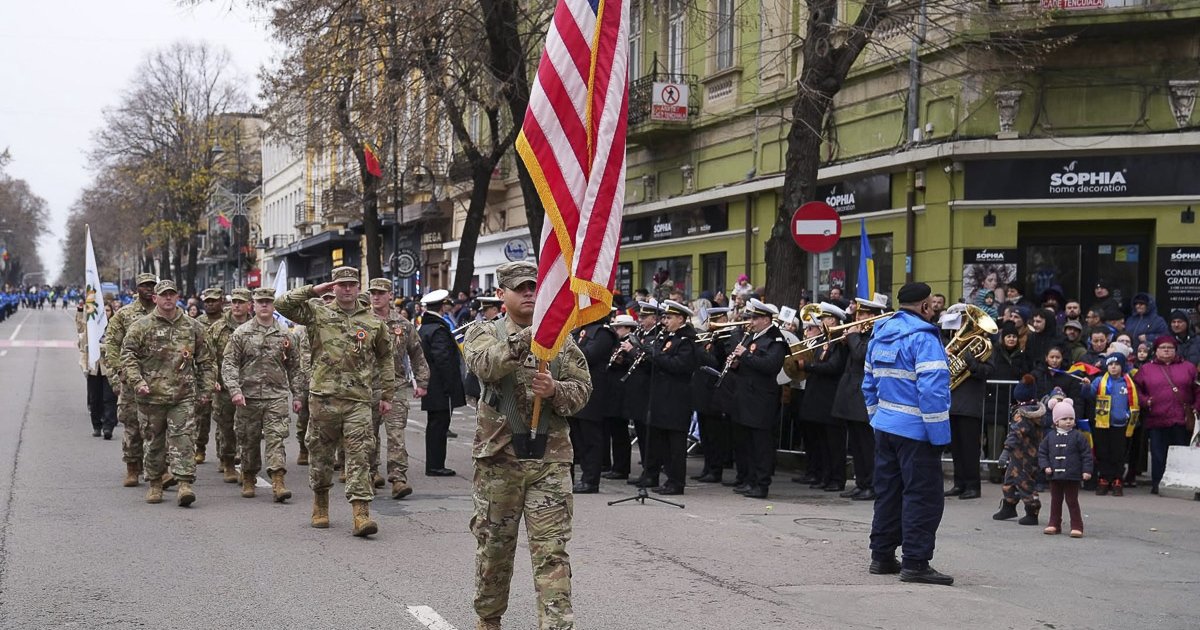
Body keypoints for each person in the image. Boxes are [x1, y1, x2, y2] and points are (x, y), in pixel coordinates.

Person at [463, 261, 591, 630]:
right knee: (494, 549)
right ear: (502, 294)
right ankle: (488, 618)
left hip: (549, 462)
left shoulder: (562, 340)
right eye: (521, 288)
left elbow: (583, 390)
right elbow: (486, 365)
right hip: (498, 461)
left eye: (535, 287)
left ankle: (556, 626)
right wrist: (534, 335)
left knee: (552, 552)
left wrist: (556, 391)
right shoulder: (483, 332)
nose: (530, 294)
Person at [275, 266, 396, 537]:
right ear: (334, 286)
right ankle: (320, 503)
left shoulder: (373, 321)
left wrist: (387, 393)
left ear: (358, 287)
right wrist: (313, 291)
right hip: (323, 400)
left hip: (358, 401)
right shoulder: (319, 313)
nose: (347, 289)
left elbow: (386, 358)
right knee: (320, 454)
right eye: (341, 284)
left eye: (352, 284)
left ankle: (361, 513)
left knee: (360, 455)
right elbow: (281, 304)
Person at [863, 282, 953, 585]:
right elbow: (933, 391)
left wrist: (879, 419)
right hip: (917, 432)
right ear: (926, 306)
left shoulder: (880, 332)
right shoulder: (924, 338)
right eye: (932, 304)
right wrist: (940, 436)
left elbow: (868, 383)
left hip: (885, 427)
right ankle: (915, 562)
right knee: (923, 496)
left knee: (888, 493)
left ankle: (882, 556)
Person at [120, 280, 213, 506]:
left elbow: (207, 361)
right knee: (153, 442)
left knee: (184, 440)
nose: (168, 298)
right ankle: (155, 483)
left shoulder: (193, 327)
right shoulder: (141, 327)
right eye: (163, 295)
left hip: (183, 395)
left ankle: (184, 484)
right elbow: (128, 356)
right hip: (150, 396)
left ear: (177, 296)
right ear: (155, 299)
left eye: (172, 294)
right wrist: (137, 381)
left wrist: (205, 389)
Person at [221, 288, 302, 501]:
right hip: (248, 397)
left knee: (277, 439)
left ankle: (278, 480)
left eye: (268, 301)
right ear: (253, 305)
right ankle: (248, 477)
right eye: (260, 302)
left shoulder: (285, 333)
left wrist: (298, 395)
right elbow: (229, 363)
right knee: (249, 440)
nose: (264, 305)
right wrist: (235, 391)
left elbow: (294, 366)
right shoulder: (241, 333)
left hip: (276, 396)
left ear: (272, 305)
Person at [368, 278, 431, 499]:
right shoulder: (362, 322)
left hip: (396, 386)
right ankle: (371, 472)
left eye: (380, 293)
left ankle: (398, 478)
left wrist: (422, 382)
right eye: (373, 293)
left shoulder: (402, 325)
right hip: (367, 388)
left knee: (396, 434)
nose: (376, 296)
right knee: (368, 434)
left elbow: (417, 354)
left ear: (389, 295)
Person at [633, 299, 697, 495]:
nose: (665, 321)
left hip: (676, 399)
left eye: (669, 318)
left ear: (680, 318)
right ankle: (665, 478)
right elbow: (660, 361)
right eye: (665, 317)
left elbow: (679, 366)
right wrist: (645, 354)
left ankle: (676, 482)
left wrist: (656, 355)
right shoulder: (667, 337)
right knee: (663, 443)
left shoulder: (687, 341)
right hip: (661, 397)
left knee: (675, 445)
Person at [726, 298, 787, 499]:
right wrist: (736, 365)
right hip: (745, 395)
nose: (750, 321)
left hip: (762, 398)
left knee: (761, 445)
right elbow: (749, 367)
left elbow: (771, 366)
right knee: (747, 443)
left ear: (766, 319)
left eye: (755, 318)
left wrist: (745, 356)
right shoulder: (752, 337)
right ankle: (750, 480)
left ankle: (762, 484)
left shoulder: (775, 340)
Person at [104, 272, 159, 487]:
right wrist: (117, 376)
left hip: (159, 380)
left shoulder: (165, 312)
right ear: (137, 288)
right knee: (132, 426)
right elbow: (111, 345)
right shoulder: (124, 315)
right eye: (144, 285)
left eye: (152, 285)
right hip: (131, 381)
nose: (149, 289)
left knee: (156, 427)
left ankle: (157, 468)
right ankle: (132, 468)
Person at [832, 296, 887, 500]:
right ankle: (861, 482)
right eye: (858, 313)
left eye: (863, 314)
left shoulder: (877, 334)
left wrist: (853, 337)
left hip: (865, 397)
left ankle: (872, 485)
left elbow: (862, 355)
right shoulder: (861, 334)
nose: (858, 317)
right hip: (852, 394)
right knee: (856, 443)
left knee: (867, 445)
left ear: (873, 317)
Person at [1131, 335, 1200, 495]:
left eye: (1170, 347)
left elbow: (1197, 390)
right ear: (1156, 351)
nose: (1166, 350)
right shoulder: (1146, 369)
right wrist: (1145, 401)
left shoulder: (1188, 367)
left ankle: (1181, 483)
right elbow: (1136, 389)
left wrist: (1196, 407)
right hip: (1157, 418)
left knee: (1181, 452)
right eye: (1163, 348)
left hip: (1182, 419)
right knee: (1158, 454)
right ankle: (1157, 483)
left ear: (1176, 350)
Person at [797, 302, 849, 492]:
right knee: (822, 441)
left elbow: (834, 367)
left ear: (834, 320)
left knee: (834, 442)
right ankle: (824, 475)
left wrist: (808, 367)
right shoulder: (824, 340)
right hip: (819, 397)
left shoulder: (839, 342)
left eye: (825, 318)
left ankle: (837, 478)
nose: (822, 322)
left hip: (832, 397)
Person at [944, 305, 994, 501]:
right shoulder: (949, 344)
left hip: (970, 403)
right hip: (952, 403)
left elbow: (988, 371)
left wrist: (970, 362)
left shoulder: (985, 345)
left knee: (970, 448)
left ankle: (973, 486)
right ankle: (959, 483)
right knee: (956, 447)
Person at [205, 288, 253, 483]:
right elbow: (207, 356)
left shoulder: (256, 326)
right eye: (234, 301)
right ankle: (228, 462)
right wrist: (212, 379)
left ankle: (247, 465)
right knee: (226, 427)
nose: (236, 305)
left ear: (249, 304)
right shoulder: (218, 328)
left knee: (248, 428)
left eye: (241, 302)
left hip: (250, 385)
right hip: (224, 386)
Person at [568, 309, 618, 493]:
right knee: (576, 438)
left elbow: (589, 355)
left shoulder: (602, 332)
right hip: (575, 390)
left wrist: (569, 347)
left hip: (593, 392)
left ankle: (590, 480)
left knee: (592, 439)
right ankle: (574, 478)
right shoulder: (578, 330)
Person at [418, 289, 466, 477]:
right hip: (440, 387)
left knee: (435, 426)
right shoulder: (438, 329)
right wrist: (450, 386)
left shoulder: (427, 326)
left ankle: (434, 463)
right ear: (442, 306)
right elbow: (443, 359)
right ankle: (436, 465)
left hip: (432, 384)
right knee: (439, 427)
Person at [1082, 353, 1138, 496]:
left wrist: (1127, 415)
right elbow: (1089, 396)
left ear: (1122, 366)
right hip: (1102, 423)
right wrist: (1086, 387)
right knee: (1103, 452)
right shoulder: (1100, 381)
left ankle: (1117, 479)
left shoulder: (1127, 383)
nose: (1113, 367)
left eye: (1117, 364)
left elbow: (1131, 402)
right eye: (1110, 364)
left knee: (1118, 453)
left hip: (1120, 425)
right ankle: (1104, 478)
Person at [993, 375, 1046, 526]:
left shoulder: (1023, 414)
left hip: (1024, 455)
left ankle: (1032, 511)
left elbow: (1015, 434)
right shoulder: (1032, 410)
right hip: (1019, 455)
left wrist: (1005, 451)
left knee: (1025, 482)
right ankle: (1009, 506)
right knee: (1010, 479)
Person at [1038, 398, 1093, 537]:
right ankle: (1054, 524)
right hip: (1055, 476)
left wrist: (1086, 470)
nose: (1068, 421)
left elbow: (1086, 454)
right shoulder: (1049, 436)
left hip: (1072, 475)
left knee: (1072, 501)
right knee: (1055, 501)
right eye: (1064, 418)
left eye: (1071, 418)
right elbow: (1042, 453)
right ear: (1056, 421)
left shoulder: (1078, 436)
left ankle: (1077, 526)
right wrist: (1045, 466)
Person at [691, 307, 733, 484]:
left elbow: (716, 362)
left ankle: (715, 470)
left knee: (715, 435)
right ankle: (707, 467)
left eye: (716, 319)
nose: (712, 324)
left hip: (716, 392)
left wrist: (701, 350)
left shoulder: (727, 339)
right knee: (706, 434)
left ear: (724, 318)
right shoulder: (712, 338)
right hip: (704, 391)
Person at [192, 286, 226, 464]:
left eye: (214, 301)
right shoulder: (197, 323)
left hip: (225, 374)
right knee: (201, 416)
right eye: (207, 301)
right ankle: (200, 447)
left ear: (221, 301)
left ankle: (224, 453)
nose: (210, 304)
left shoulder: (229, 321)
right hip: (203, 375)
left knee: (224, 417)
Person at [78, 300, 118, 439]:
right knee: (95, 399)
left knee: (109, 398)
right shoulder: (91, 329)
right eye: (102, 311)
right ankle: (97, 425)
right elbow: (83, 348)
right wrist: (84, 366)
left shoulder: (115, 328)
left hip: (110, 368)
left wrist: (103, 347)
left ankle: (108, 427)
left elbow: (118, 347)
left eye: (107, 310)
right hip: (94, 368)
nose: (105, 313)